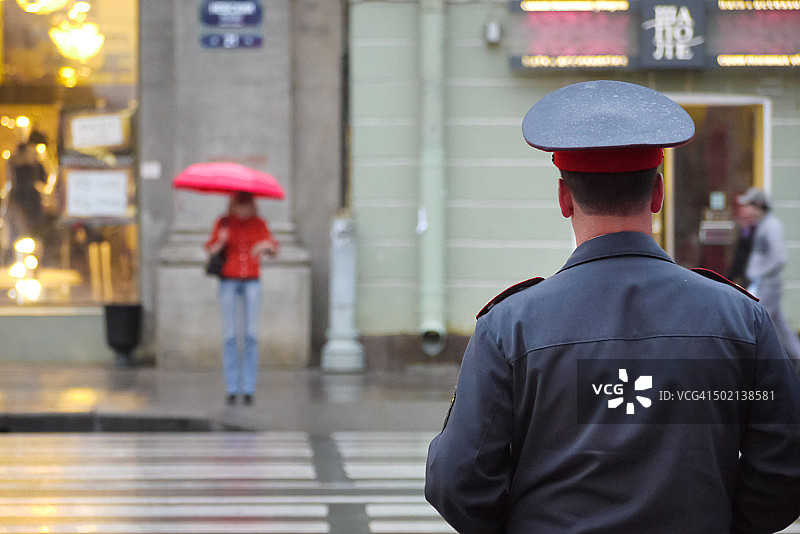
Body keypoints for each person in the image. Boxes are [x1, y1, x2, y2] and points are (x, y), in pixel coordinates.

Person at [425, 80, 800, 534]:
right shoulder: (740, 319)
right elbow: (783, 473)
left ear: (564, 199)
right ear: (658, 195)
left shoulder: (511, 326)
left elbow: (458, 482)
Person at [205, 191, 279, 406]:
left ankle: (247, 388)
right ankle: (231, 388)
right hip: (229, 280)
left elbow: (274, 247)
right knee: (229, 335)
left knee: (250, 335)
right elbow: (209, 251)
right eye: (239, 205)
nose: (243, 210)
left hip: (252, 280)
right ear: (232, 205)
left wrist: (267, 247)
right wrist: (220, 242)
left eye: (246, 205)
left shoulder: (259, 224)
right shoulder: (224, 223)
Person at [736, 187, 800, 375]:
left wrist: (758, 273)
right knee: (781, 329)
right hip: (765, 285)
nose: (745, 209)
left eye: (748, 204)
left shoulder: (771, 227)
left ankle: (766, 371)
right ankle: (796, 359)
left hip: (768, 287)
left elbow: (779, 259)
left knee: (758, 328)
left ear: (759, 206)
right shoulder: (762, 225)